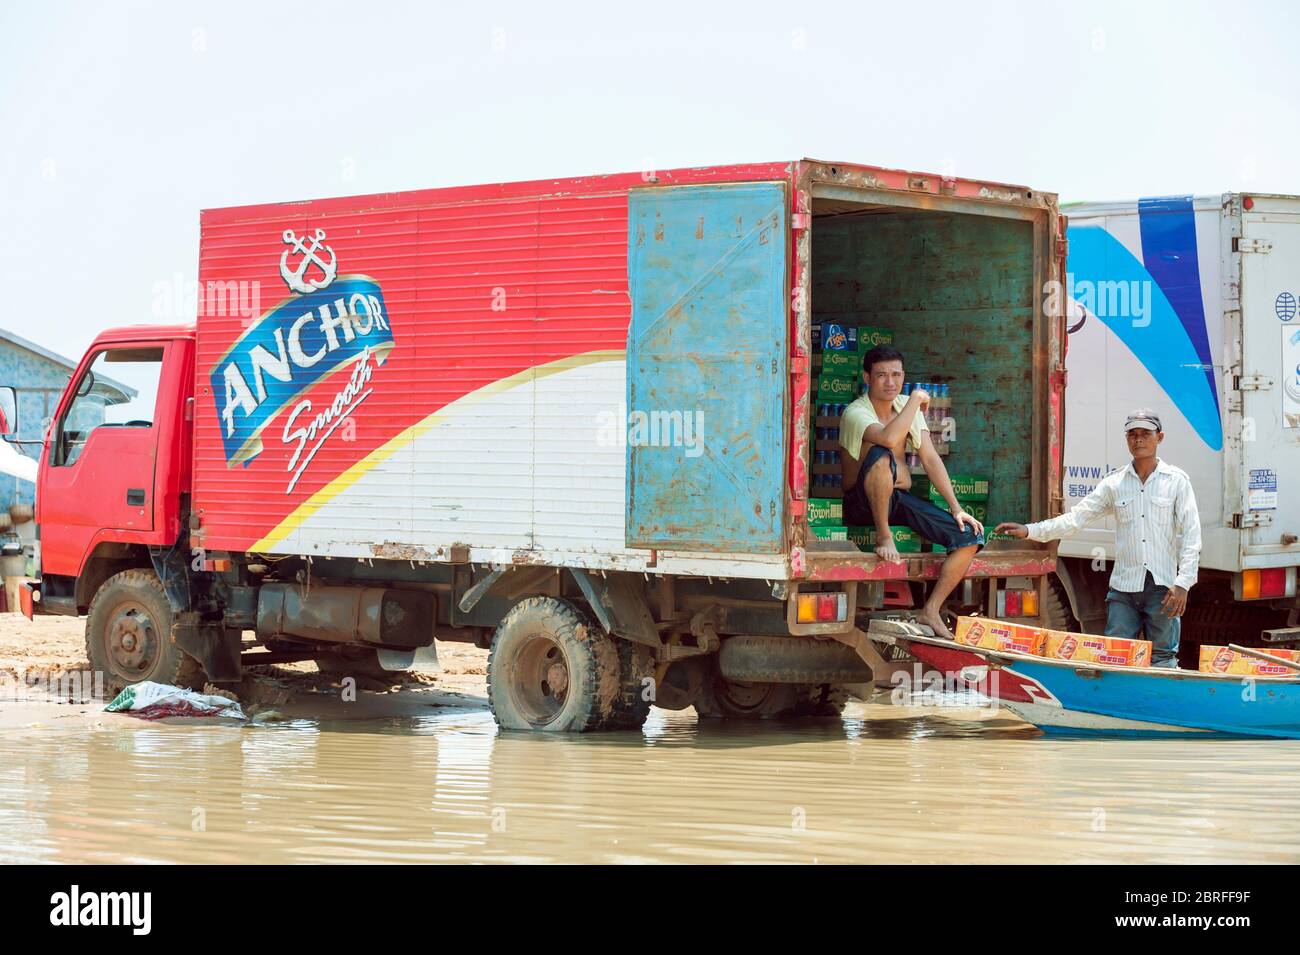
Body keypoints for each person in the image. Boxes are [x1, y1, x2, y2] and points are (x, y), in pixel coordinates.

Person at [994, 409, 1201, 668]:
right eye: (1132, 434)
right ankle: (1116, 706)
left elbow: (1192, 535)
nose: (1138, 440)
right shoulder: (1114, 483)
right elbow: (1076, 518)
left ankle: (1158, 706)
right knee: (1115, 657)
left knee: (1163, 658)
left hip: (1163, 588)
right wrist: (1030, 530)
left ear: (1159, 437)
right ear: (1127, 439)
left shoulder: (1177, 482)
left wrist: (1183, 583)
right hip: (1124, 588)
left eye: (1145, 434)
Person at [839, 345, 984, 640]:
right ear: (867, 377)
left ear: (903, 375)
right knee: (881, 455)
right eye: (881, 375)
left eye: (896, 374)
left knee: (970, 537)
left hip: (896, 499)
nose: (890, 382)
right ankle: (884, 535)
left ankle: (931, 609)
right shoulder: (855, 411)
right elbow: (888, 438)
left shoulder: (905, 405)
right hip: (860, 502)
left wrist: (956, 507)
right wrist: (916, 400)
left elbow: (930, 459)